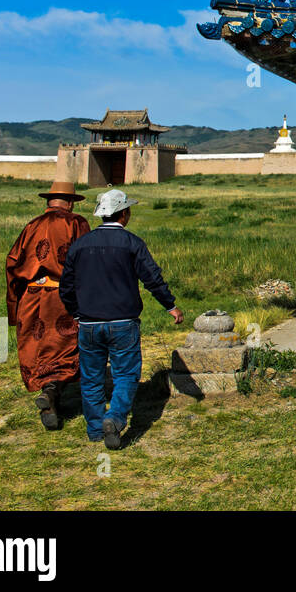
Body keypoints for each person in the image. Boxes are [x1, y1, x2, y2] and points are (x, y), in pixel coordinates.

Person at [60, 189, 184, 449]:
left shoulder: (80, 245)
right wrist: (170, 306)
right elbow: (152, 278)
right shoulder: (132, 243)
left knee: (91, 377)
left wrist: (76, 312)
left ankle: (95, 429)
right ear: (124, 214)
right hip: (123, 322)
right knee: (126, 374)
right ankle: (115, 418)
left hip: (89, 323)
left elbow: (66, 287)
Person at [5, 180, 92, 429]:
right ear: (70, 202)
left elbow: (12, 263)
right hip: (62, 296)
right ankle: (52, 391)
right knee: (66, 346)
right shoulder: (76, 223)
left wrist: (15, 303)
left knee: (38, 347)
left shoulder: (31, 226)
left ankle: (48, 391)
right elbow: (86, 260)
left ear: (49, 202)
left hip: (31, 296)